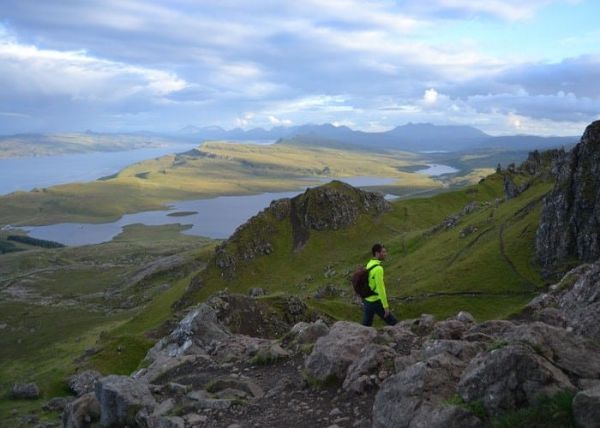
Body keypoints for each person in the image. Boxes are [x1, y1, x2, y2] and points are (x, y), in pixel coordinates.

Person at [362, 243, 398, 326]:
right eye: (383, 252)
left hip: (367, 300)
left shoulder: (369, 263)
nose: (386, 254)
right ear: (377, 253)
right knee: (394, 323)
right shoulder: (378, 269)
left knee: (366, 325)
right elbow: (381, 288)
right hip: (375, 301)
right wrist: (385, 306)